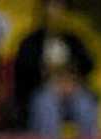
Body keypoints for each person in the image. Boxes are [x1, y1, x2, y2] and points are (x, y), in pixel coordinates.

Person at [11, 0, 94, 128]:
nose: (54, 14)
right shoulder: (30, 42)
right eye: (51, 10)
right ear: (42, 14)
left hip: (71, 89)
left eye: (59, 9)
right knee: (47, 104)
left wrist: (71, 81)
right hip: (42, 91)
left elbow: (88, 64)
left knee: (85, 103)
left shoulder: (73, 40)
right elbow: (23, 70)